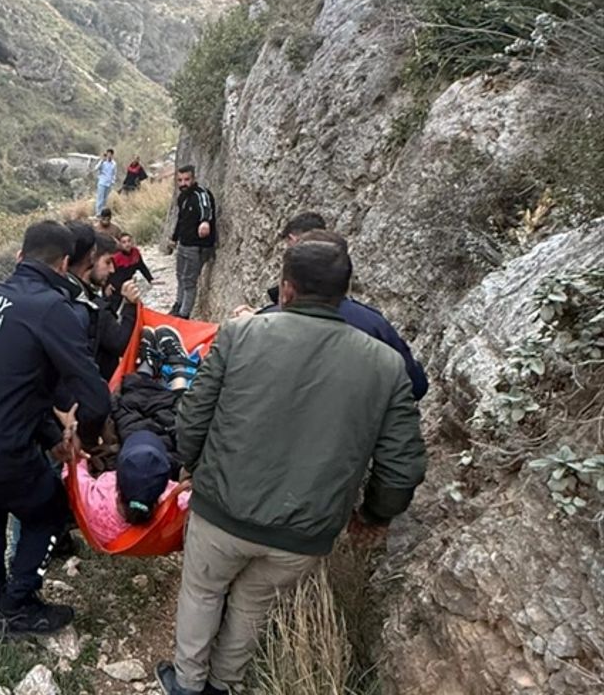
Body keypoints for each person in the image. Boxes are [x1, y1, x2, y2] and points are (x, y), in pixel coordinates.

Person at [154, 234, 428, 695]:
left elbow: (193, 416)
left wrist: (192, 467)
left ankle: (187, 682)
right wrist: (373, 515)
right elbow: (402, 466)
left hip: (222, 508)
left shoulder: (241, 334)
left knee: (203, 591)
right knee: (253, 605)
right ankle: (222, 685)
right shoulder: (385, 365)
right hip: (304, 533)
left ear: (286, 288)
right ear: (344, 291)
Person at [0, 220, 110, 636]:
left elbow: (11, 381)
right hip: (2, 448)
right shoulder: (53, 308)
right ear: (64, 264)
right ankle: (18, 606)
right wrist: (82, 438)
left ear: (19, 256)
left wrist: (50, 438)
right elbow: (96, 397)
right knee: (50, 511)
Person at [251, 214, 430, 400]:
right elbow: (416, 386)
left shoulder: (260, 325)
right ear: (344, 279)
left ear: (288, 286)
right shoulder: (373, 325)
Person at [62, 431, 187, 544]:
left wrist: (74, 444)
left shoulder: (93, 501)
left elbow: (72, 472)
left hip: (103, 535)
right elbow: (191, 500)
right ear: (163, 487)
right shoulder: (172, 505)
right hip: (152, 538)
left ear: (117, 479)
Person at [67, 224, 140, 380]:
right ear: (91, 259)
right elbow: (121, 343)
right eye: (107, 262)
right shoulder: (90, 305)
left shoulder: (63, 290)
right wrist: (130, 306)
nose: (112, 269)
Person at [166, 165, 216, 318]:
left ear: (193, 178)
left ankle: (184, 315)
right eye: (180, 180)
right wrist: (174, 238)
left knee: (189, 281)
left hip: (197, 246)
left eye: (187, 179)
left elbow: (206, 208)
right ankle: (177, 306)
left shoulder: (201, 194)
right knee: (180, 276)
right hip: (183, 244)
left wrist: (205, 222)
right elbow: (181, 219)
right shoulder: (182, 197)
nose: (183, 183)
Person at [107, 233, 153, 310]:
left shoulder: (135, 252)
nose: (127, 244)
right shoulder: (116, 256)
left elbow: (142, 267)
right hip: (115, 287)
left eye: (129, 241)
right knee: (112, 307)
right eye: (124, 242)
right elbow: (107, 271)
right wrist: (107, 285)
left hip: (128, 285)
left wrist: (150, 279)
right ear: (120, 244)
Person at [95, 149, 117, 216]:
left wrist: (113, 181)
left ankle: (103, 213)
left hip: (109, 183)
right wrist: (101, 161)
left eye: (110, 154)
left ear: (112, 155)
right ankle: (98, 213)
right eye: (108, 154)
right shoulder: (103, 162)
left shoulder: (114, 164)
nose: (109, 155)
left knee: (105, 199)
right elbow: (96, 168)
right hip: (102, 182)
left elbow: (114, 173)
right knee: (100, 198)